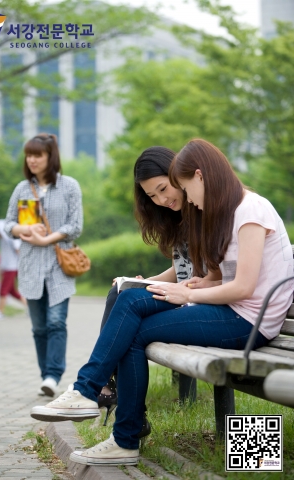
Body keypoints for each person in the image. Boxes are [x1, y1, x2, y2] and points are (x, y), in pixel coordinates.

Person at [30, 138, 294, 466]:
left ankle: (97, 405)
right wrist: (202, 282)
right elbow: (223, 276)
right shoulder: (229, 210)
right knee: (129, 306)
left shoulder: (251, 209)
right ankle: (104, 415)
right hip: (234, 312)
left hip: (249, 323)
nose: (187, 200)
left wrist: (190, 293)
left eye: (182, 187)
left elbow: (244, 287)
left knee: (133, 322)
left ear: (199, 176)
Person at [97, 146, 193, 432]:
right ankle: (113, 401)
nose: (161, 200)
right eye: (152, 196)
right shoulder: (179, 214)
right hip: (192, 295)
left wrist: (158, 288)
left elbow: (212, 277)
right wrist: (147, 281)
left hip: (206, 303)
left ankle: (99, 387)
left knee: (129, 322)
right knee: (121, 291)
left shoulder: (215, 209)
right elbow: (182, 269)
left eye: (164, 189)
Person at [4, 133, 83, 397]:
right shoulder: (22, 189)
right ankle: (45, 375)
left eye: (38, 155)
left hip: (59, 266)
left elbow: (75, 225)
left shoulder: (70, 186)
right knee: (38, 327)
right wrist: (23, 228)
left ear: (51, 157)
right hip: (30, 267)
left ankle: (53, 374)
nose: (32, 160)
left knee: (56, 322)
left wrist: (47, 238)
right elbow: (7, 224)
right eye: (29, 155)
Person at [0, 219, 26, 320]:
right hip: (6, 268)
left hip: (12, 267)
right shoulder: (2, 240)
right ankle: (30, 308)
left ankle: (0, 312)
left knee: (3, 289)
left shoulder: (12, 239)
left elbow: (18, 250)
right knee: (12, 291)